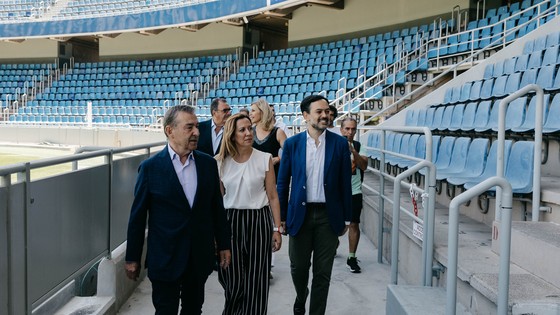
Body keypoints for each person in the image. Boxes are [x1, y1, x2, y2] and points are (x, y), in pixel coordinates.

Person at [124, 105, 232, 315]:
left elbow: (217, 209)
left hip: (198, 256)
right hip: (165, 257)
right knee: (165, 311)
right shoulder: (150, 168)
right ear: (169, 131)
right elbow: (137, 217)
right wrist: (132, 257)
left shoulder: (208, 165)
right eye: (189, 127)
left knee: (194, 310)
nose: (197, 132)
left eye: (197, 127)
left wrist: (224, 244)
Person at [277, 95, 352, 315]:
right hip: (300, 214)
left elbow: (344, 183)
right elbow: (283, 183)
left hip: (329, 216)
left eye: (327, 111)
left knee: (323, 273)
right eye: (319, 111)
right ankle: (301, 296)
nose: (325, 115)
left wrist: (347, 217)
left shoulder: (339, 144)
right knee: (298, 268)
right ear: (306, 116)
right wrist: (280, 217)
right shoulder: (292, 144)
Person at [215, 113, 283, 315]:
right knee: (232, 279)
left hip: (259, 220)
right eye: (242, 130)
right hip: (231, 221)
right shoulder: (219, 162)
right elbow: (218, 202)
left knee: (257, 279)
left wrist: (276, 228)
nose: (248, 133)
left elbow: (272, 196)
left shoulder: (265, 158)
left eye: (249, 128)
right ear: (231, 135)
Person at [339, 117, 368, 273]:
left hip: (354, 191)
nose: (350, 132)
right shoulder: (334, 146)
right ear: (341, 129)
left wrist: (353, 151)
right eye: (347, 129)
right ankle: (333, 245)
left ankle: (351, 257)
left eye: (353, 129)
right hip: (337, 191)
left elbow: (363, 166)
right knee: (335, 225)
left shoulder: (359, 146)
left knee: (354, 224)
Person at [251, 98, 287, 179]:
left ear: (262, 112)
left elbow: (290, 153)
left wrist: (278, 159)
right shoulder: (249, 132)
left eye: (253, 111)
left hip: (274, 178)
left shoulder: (278, 132)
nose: (250, 114)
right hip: (254, 178)